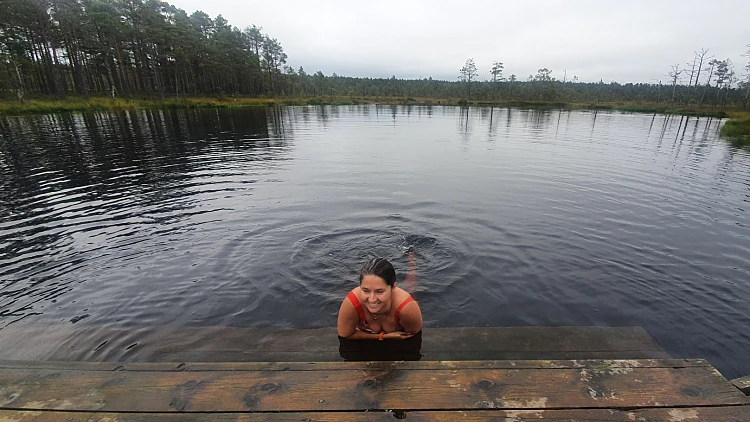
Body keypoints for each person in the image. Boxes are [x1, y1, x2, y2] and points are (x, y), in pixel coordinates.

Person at [337, 257, 422, 340]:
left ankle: (411, 258)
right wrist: (383, 337)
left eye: (379, 291)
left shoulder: (406, 308)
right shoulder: (353, 302)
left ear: (393, 288)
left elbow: (414, 336)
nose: (372, 299)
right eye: (366, 290)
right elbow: (345, 334)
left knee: (411, 287)